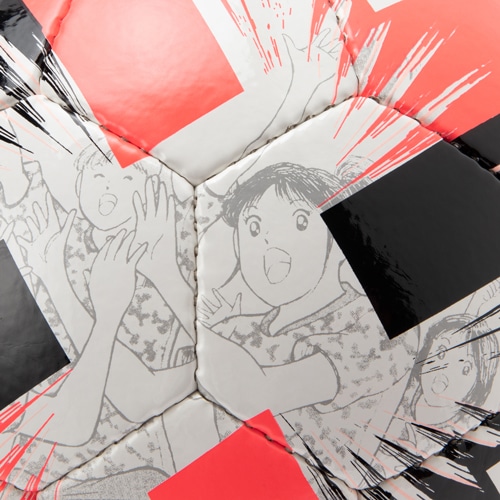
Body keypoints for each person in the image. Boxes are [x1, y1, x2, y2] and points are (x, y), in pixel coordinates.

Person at [199, 162, 417, 418]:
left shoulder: (378, 327)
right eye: (254, 228)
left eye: (300, 222)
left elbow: (262, 394)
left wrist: (200, 334)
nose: (270, 241)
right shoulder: (235, 329)